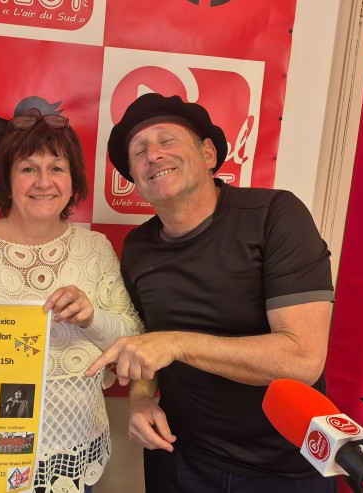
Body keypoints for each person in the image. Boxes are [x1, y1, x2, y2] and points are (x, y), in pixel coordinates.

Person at [85, 93, 336, 493]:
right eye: (139, 152)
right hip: (179, 457)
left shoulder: (275, 215)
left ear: (207, 154)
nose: (153, 155)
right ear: (134, 178)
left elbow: (302, 359)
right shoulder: (138, 247)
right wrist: (140, 398)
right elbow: (147, 345)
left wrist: (177, 343)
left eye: (166, 140)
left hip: (284, 465)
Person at [0, 108, 142, 492]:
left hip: (73, 444)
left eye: (57, 168)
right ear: (7, 178)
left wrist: (91, 317)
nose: (44, 182)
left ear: (73, 180)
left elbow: (133, 339)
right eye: (28, 168)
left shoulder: (95, 249)